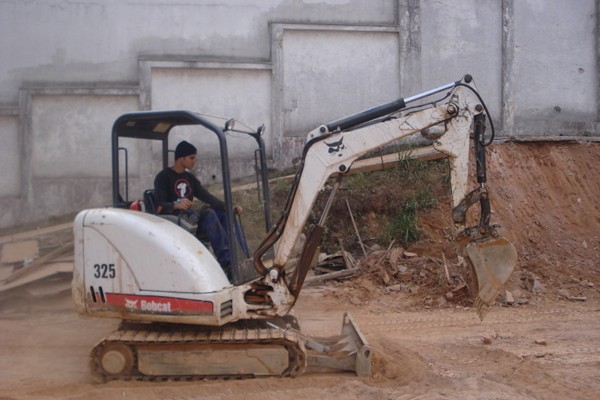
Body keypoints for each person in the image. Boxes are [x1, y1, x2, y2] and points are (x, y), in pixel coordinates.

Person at [153, 140, 247, 280]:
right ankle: (227, 264)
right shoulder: (163, 177)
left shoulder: (189, 178)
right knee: (208, 213)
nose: (194, 161)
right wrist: (175, 205)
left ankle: (241, 257)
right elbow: (159, 204)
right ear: (181, 158)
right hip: (174, 220)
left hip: (191, 219)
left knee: (226, 214)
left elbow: (207, 197)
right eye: (191, 158)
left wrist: (229, 206)